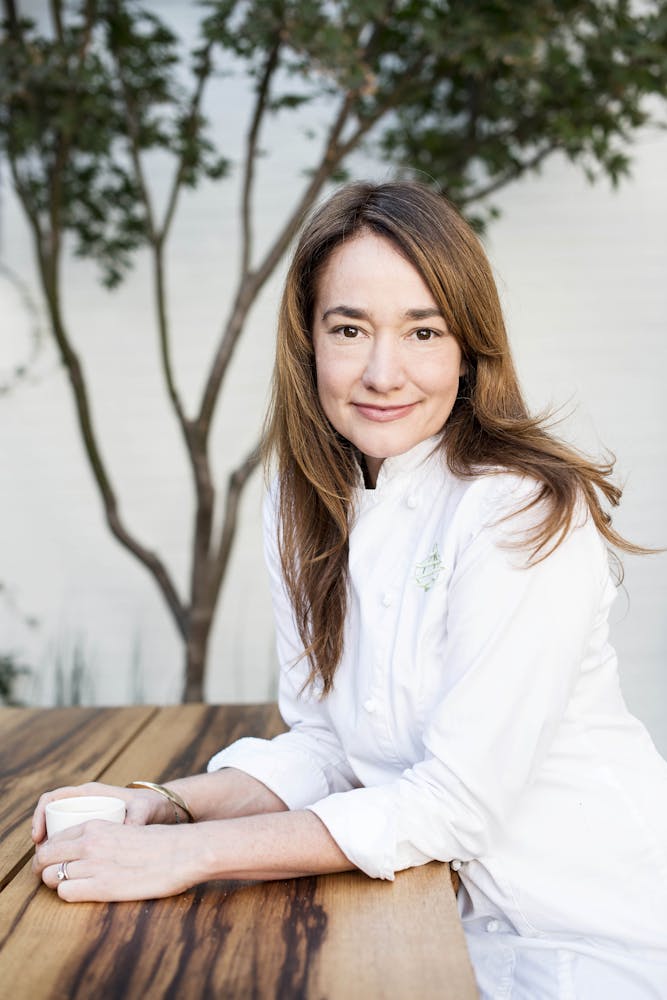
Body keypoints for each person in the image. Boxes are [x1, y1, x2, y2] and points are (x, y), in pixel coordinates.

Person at [32, 182, 667, 998]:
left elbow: (452, 803)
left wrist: (187, 857)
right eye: (349, 328)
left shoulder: (516, 507)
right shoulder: (299, 501)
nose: (381, 371)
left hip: (605, 931)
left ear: (469, 349)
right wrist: (163, 807)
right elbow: (330, 746)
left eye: (422, 331)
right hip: (437, 916)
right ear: (308, 342)